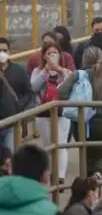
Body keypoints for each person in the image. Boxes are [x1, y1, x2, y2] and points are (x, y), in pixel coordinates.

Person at [58, 47, 102, 177]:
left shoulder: (77, 76)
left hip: (80, 123)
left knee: (86, 152)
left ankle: (89, 180)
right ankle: (99, 172)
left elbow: (61, 93)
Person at [31, 42, 72, 184]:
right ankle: (50, 173)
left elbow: (70, 84)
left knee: (61, 143)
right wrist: (45, 71)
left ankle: (60, 176)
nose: (52, 55)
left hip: (62, 113)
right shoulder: (38, 71)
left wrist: (59, 69)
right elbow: (33, 87)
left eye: (55, 52)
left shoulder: (65, 71)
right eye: (49, 53)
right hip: (43, 113)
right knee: (48, 145)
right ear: (44, 56)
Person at [0, 37, 33, 150]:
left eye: (4, 50)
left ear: (9, 52)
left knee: (10, 153)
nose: (2, 53)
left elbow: (29, 92)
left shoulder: (18, 70)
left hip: (12, 121)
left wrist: (19, 105)